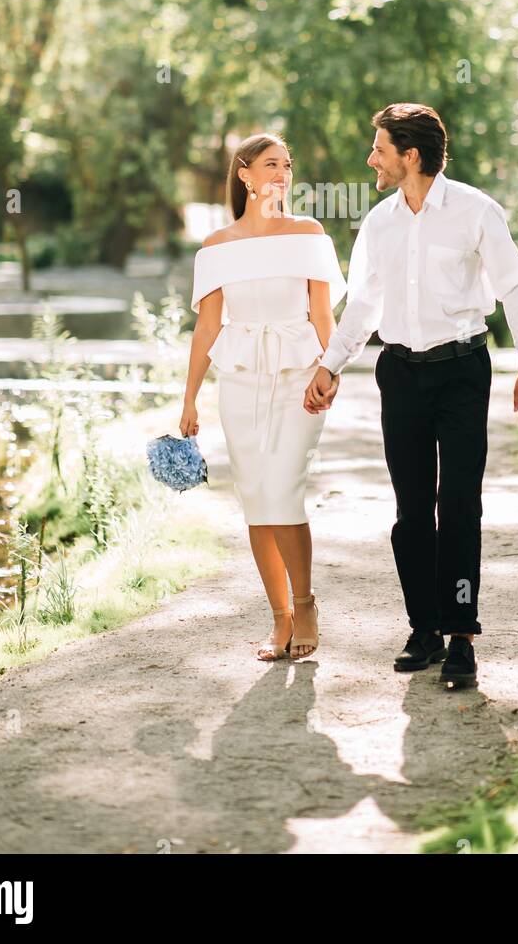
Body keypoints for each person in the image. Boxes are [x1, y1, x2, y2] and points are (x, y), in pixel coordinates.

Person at [304, 103, 518, 688]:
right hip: (401, 375)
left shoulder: (475, 212)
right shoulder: (381, 222)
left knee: (459, 505)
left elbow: (515, 286)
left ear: (410, 156)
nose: (372, 160)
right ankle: (424, 629)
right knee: (412, 512)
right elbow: (363, 304)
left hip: (463, 371)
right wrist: (331, 364)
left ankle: (462, 634)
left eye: (380, 149)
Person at [180, 132, 346, 662]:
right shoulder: (217, 246)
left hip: (297, 376)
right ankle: (279, 619)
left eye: (288, 165)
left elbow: (323, 315)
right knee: (256, 501)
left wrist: (331, 367)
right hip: (241, 381)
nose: (282, 173)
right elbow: (207, 330)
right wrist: (188, 400)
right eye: (271, 164)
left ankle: (306, 603)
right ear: (244, 173)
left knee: (284, 491)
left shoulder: (309, 233)